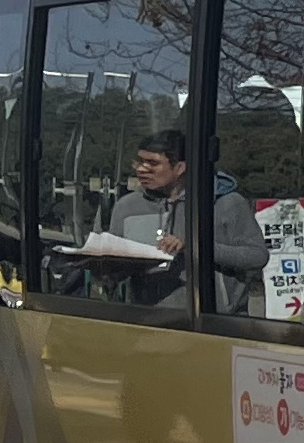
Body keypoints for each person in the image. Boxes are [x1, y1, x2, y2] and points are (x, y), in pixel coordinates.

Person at [102, 126, 268, 310]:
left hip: (216, 321)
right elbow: (115, 266)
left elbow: (257, 256)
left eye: (152, 163)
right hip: (147, 320)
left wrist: (197, 247)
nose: (141, 169)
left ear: (180, 167)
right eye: (138, 161)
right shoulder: (127, 206)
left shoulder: (226, 203)